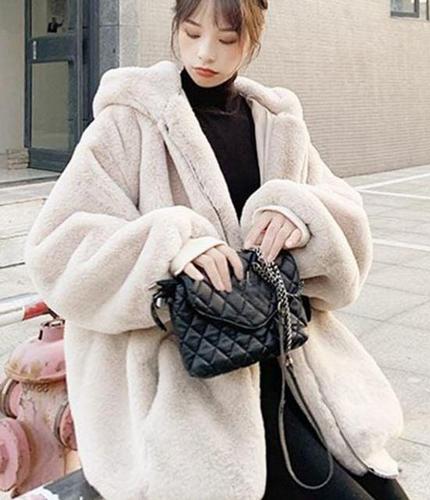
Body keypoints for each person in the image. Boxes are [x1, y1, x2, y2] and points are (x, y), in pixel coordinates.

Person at [24, 1, 410, 499]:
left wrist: (299, 215)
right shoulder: (129, 122)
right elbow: (58, 248)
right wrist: (172, 244)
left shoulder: (275, 123)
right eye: (191, 33)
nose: (206, 53)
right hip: (185, 382)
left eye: (227, 40)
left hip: (292, 363)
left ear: (252, 41)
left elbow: (347, 228)